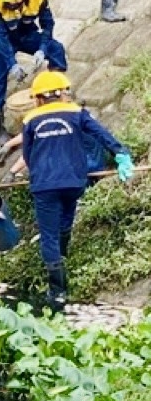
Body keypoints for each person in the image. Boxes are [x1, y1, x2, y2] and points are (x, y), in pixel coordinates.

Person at [19, 71, 134, 308]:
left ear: (38, 98)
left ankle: (57, 292)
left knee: (48, 235)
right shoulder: (76, 113)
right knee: (65, 221)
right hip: (74, 181)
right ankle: (64, 257)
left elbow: (28, 155)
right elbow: (101, 134)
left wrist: (39, 171)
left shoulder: (30, 120)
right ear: (61, 93)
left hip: (45, 185)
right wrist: (121, 154)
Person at [0, 0, 67, 146]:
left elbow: (47, 24)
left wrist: (42, 48)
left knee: (56, 49)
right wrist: (12, 64)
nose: (11, 2)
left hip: (24, 30)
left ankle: (57, 94)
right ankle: (0, 128)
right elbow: (1, 39)